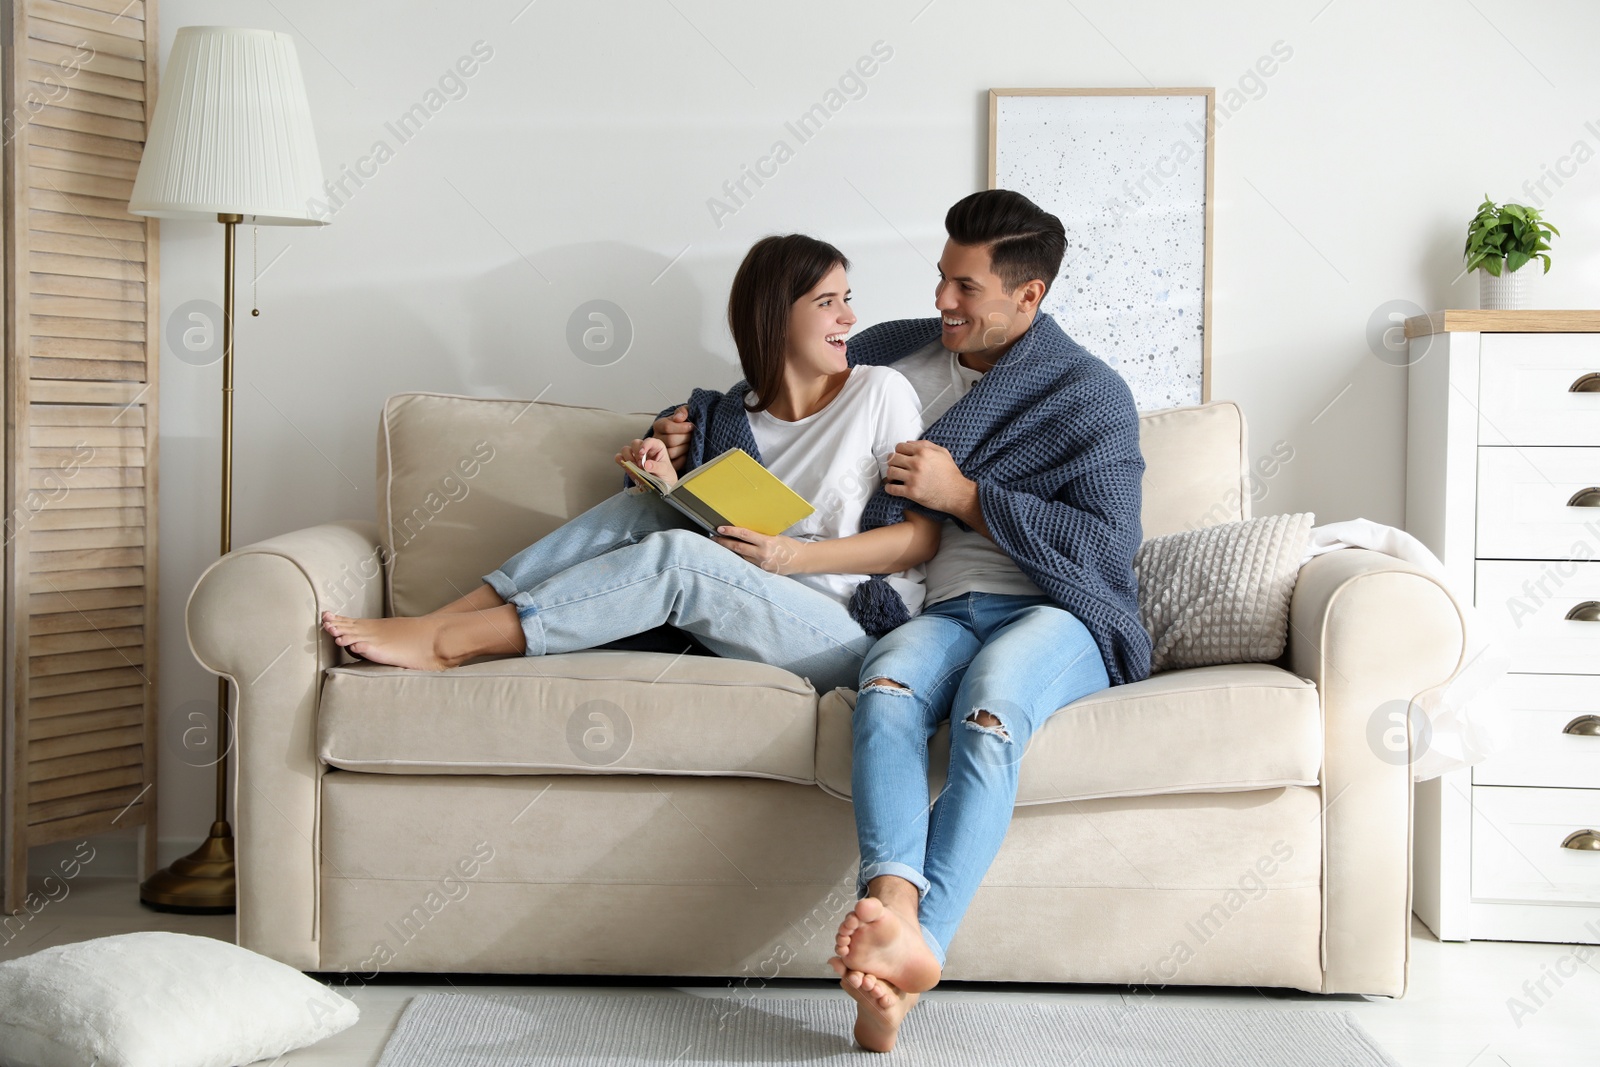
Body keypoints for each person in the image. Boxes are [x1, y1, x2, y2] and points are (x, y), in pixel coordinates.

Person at [650, 190, 1150, 1052]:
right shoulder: (897, 354)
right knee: (884, 690)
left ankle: (918, 942)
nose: (943, 303)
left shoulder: (1090, 394)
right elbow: (772, 393)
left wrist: (966, 496)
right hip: (941, 605)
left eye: (968, 287)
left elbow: (1107, 548)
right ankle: (897, 928)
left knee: (989, 714)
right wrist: (684, 426)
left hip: (1053, 608)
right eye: (942, 278)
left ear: (1029, 299)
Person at [320, 234, 940, 694]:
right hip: (750, 605)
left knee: (681, 559)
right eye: (829, 302)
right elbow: (718, 526)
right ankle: (437, 621)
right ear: (777, 315)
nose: (850, 318)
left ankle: (451, 645)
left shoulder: (877, 392)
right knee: (641, 506)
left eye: (847, 300)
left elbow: (917, 539)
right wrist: (668, 482)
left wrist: (792, 556)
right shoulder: (726, 417)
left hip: (844, 632)